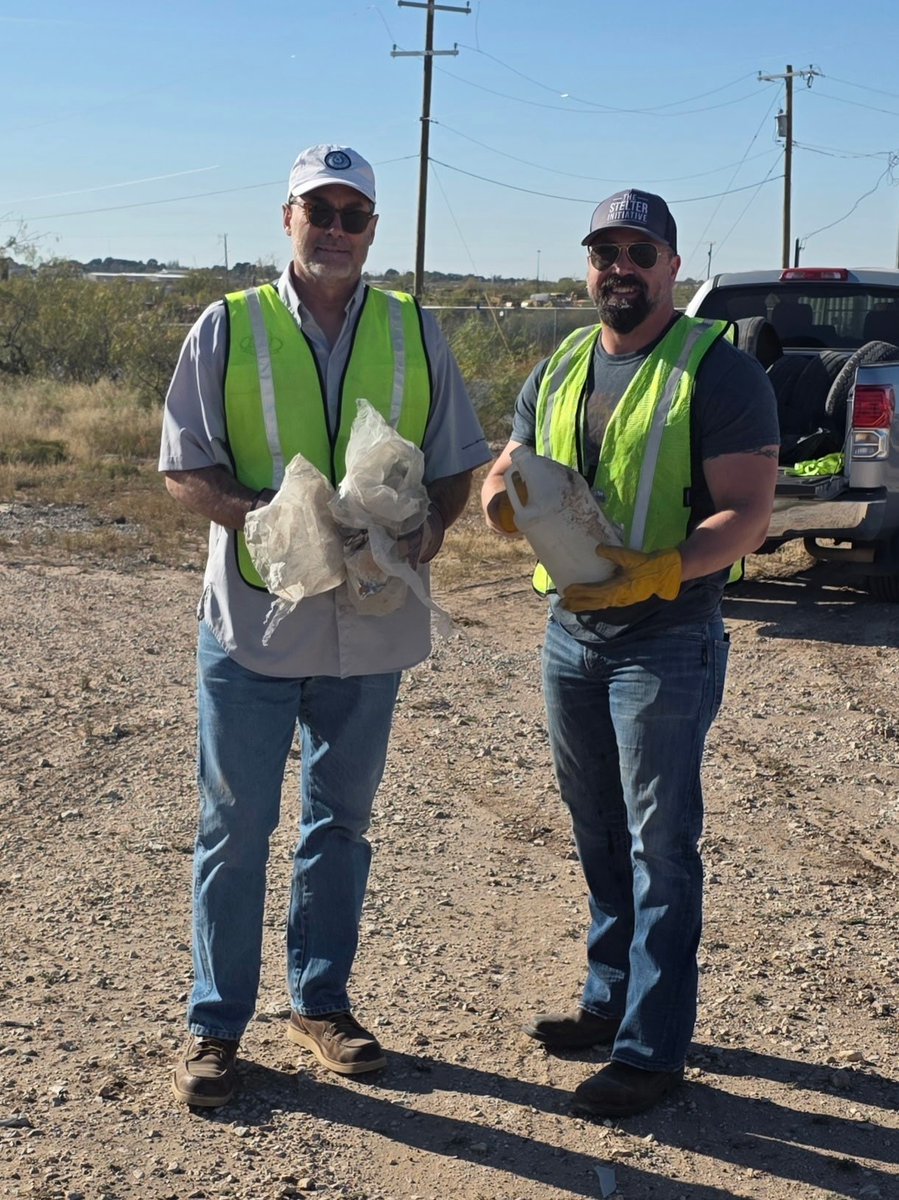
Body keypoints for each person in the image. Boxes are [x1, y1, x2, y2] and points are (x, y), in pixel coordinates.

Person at [160, 144, 490, 1108]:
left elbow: (454, 460)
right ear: (288, 217)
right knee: (235, 828)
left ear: (372, 229)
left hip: (371, 627)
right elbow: (183, 465)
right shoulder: (229, 326)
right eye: (320, 211)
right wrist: (264, 518)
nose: (335, 230)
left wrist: (432, 527)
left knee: (339, 826)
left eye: (353, 215)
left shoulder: (412, 328)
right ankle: (216, 1024)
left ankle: (321, 1003)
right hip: (256, 623)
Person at [481, 189, 779, 1120]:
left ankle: (651, 1050)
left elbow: (749, 513)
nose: (620, 267)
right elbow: (512, 461)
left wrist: (664, 570)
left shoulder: (716, 372)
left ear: (672, 267)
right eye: (604, 252)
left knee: (659, 843)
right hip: (572, 631)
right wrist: (498, 498)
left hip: (667, 634)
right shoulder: (562, 364)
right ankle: (607, 1003)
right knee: (599, 830)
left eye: (639, 252)